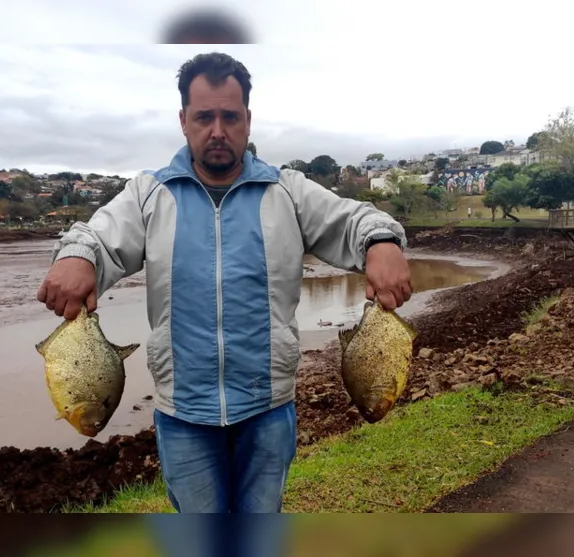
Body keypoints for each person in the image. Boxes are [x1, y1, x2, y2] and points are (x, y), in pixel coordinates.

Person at [36, 52, 413, 514]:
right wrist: (76, 256)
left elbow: (357, 220)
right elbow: (95, 237)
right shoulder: (149, 193)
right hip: (183, 415)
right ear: (183, 120)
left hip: (268, 408)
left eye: (230, 117)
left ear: (248, 121)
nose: (218, 130)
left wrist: (381, 244)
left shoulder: (286, 191)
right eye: (204, 117)